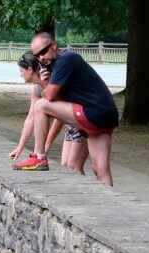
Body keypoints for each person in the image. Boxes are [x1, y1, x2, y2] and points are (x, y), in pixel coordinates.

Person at [14, 32, 118, 186]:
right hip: (107, 114)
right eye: (37, 56)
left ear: (54, 46)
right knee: (100, 169)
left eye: (43, 52)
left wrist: (44, 84)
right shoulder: (62, 63)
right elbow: (62, 101)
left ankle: (39, 157)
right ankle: (112, 206)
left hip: (93, 112)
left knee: (40, 105)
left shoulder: (65, 59)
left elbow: (49, 97)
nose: (41, 58)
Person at [11, 51, 65, 163]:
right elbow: (31, 118)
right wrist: (20, 147)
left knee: (72, 164)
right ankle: (38, 156)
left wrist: (47, 144)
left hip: (79, 120)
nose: (20, 74)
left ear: (30, 69)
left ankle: (38, 156)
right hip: (72, 126)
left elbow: (60, 118)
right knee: (68, 164)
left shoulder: (51, 82)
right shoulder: (37, 89)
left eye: (21, 71)